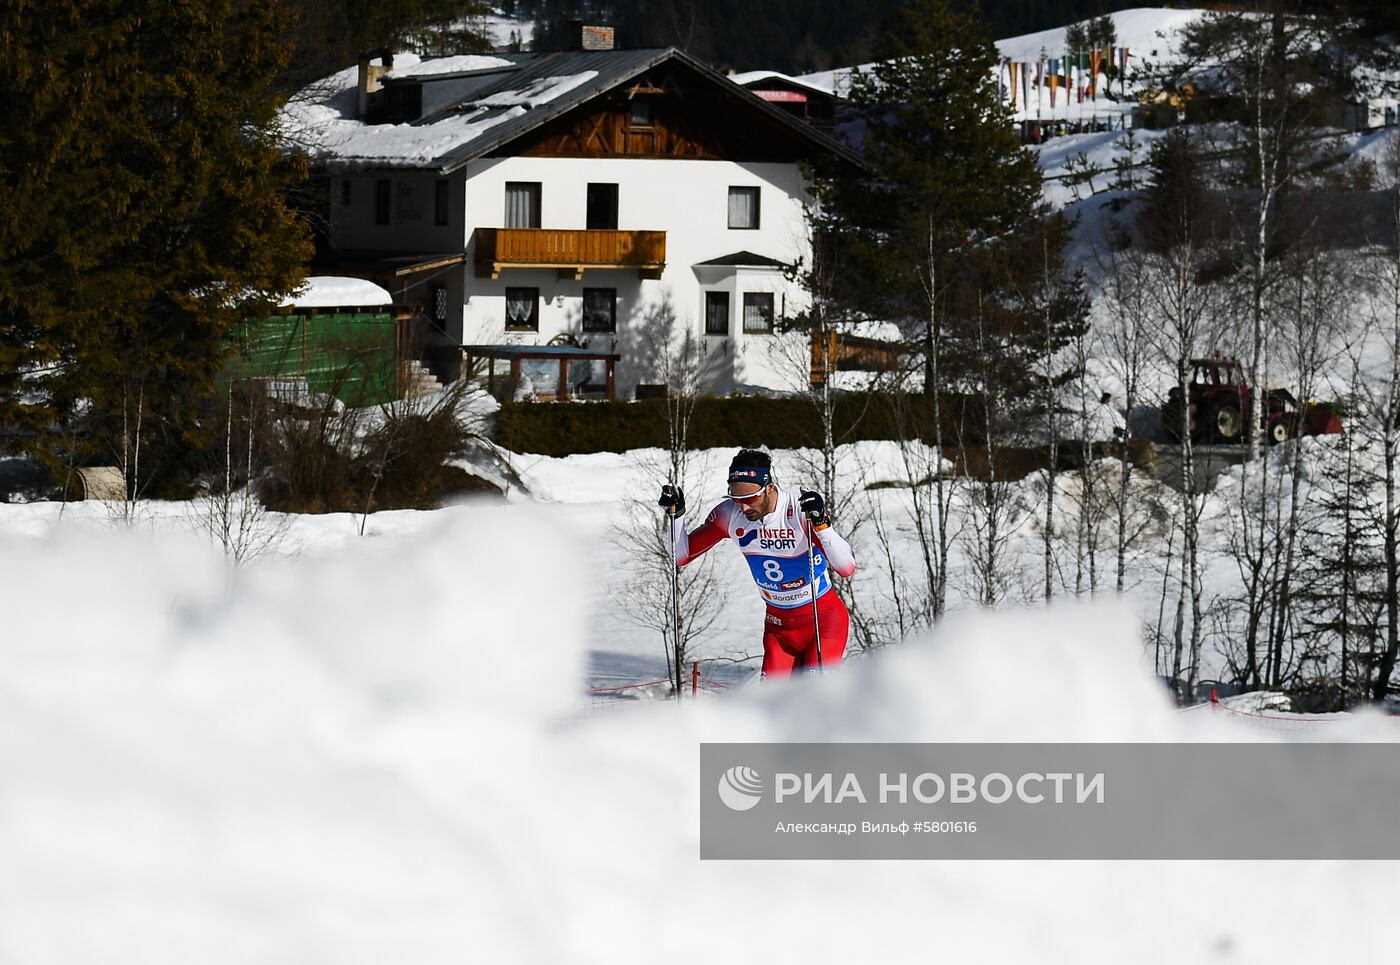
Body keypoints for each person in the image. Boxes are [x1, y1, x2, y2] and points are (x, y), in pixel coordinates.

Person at [658, 449, 857, 678]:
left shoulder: (798, 509)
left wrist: (822, 524)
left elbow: (846, 567)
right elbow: (682, 556)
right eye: (736, 499)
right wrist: (677, 515)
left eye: (750, 499)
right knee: (771, 707)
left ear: (769, 488)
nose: (743, 507)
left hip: (822, 620)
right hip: (778, 628)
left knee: (814, 702)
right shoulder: (730, 514)